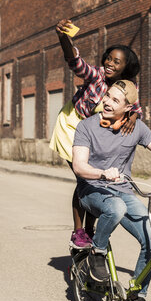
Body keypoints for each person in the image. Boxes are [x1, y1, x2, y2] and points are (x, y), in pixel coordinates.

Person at [72, 80, 151, 301]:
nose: (107, 102)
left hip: (123, 191)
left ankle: (138, 294)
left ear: (128, 108)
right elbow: (79, 166)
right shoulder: (86, 127)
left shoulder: (137, 128)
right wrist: (103, 173)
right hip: (92, 189)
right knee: (116, 208)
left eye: (115, 100)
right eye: (107, 96)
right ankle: (98, 253)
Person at [49, 19, 144, 249]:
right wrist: (64, 37)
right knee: (84, 177)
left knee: (96, 180)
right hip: (72, 125)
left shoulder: (128, 86)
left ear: (126, 68)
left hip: (93, 133)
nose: (109, 64)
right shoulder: (96, 75)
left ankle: (90, 229)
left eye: (116, 62)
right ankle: (79, 231)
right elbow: (76, 62)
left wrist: (132, 117)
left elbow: (136, 107)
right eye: (109, 58)